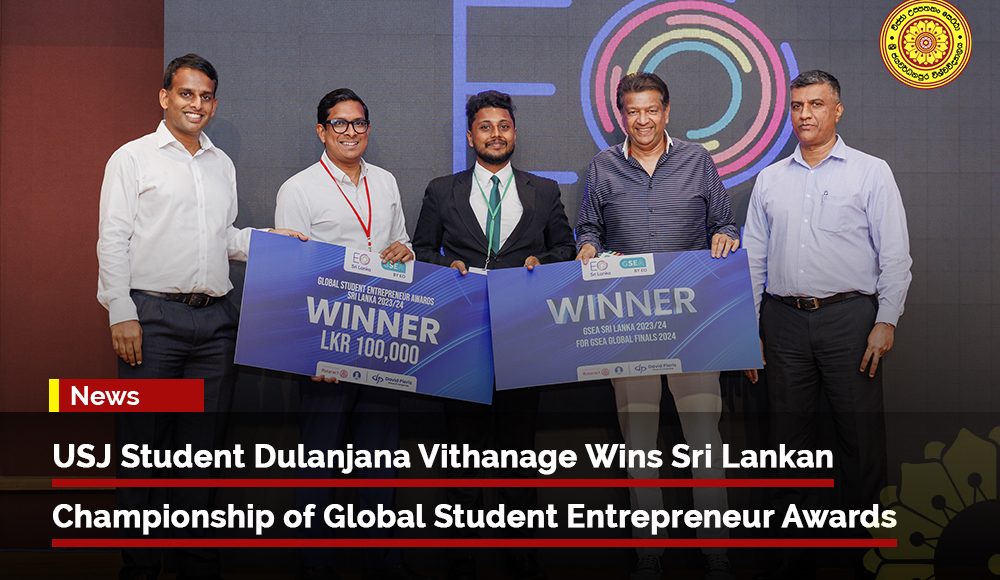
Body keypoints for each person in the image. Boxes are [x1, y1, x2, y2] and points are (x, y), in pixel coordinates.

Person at [97, 53, 305, 580]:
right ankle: (141, 566)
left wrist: (268, 241)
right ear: (164, 97)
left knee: (202, 451)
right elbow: (113, 239)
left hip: (214, 326)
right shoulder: (132, 158)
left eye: (206, 96)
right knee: (143, 450)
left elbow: (222, 239)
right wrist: (120, 311)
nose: (197, 104)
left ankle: (193, 559)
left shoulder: (221, 164)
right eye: (186, 94)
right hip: (151, 320)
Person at [743, 70, 911, 580]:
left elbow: (895, 255)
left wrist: (886, 319)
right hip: (782, 322)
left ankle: (869, 557)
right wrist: (747, 329)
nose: (805, 114)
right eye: (797, 106)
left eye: (816, 104)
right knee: (785, 444)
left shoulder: (870, 172)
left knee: (860, 440)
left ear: (837, 110)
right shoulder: (770, 178)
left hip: (851, 320)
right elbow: (752, 259)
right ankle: (789, 559)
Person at [575, 72, 738, 580]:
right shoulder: (602, 166)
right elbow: (589, 227)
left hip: (693, 319)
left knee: (704, 438)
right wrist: (587, 247)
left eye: (651, 110)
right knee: (639, 440)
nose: (642, 120)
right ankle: (650, 554)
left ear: (667, 111)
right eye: (633, 111)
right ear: (621, 115)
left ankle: (717, 554)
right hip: (631, 322)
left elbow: (724, 222)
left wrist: (725, 237)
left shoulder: (697, 160)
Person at [412, 90, 576, 580]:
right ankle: (461, 555)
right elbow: (422, 251)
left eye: (503, 126)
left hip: (522, 334)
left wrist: (541, 262)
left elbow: (565, 249)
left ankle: (520, 554)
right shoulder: (442, 190)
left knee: (519, 451)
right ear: (470, 136)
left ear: (514, 133)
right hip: (461, 336)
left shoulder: (543, 191)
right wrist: (447, 267)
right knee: (461, 450)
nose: (496, 134)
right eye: (486, 127)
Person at [274, 88, 413, 580]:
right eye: (339, 123)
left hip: (380, 344)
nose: (350, 132)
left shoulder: (386, 182)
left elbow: (402, 244)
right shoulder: (298, 189)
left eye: (358, 123)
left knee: (380, 464)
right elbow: (291, 276)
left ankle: (384, 563)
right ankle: (315, 566)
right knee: (318, 465)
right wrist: (310, 352)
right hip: (324, 352)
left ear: (368, 129)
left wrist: (404, 251)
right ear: (321, 130)